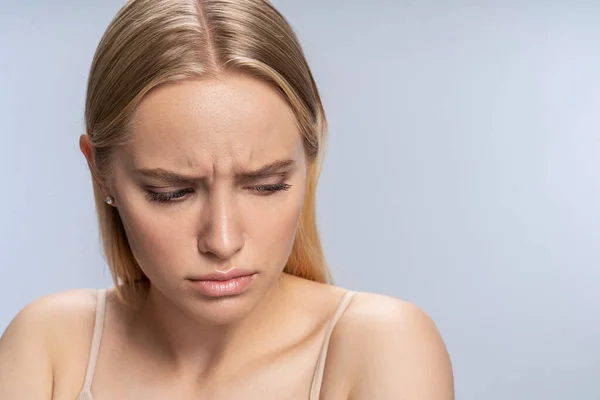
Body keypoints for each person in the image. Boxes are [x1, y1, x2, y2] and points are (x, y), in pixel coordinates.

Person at [0, 0, 454, 398]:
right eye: (171, 193)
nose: (222, 240)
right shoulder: (49, 347)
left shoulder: (379, 348)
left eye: (265, 185)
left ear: (308, 160)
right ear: (101, 174)